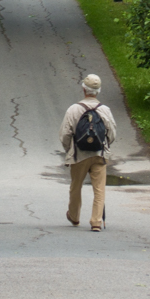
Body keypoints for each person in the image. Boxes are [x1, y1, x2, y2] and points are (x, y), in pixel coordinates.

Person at [59, 74, 117, 231]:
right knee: (99, 189)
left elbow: (65, 134)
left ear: (83, 89)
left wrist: (69, 149)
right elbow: (112, 133)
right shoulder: (105, 110)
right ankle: (96, 221)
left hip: (79, 155)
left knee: (76, 186)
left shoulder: (74, 109)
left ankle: (74, 216)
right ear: (98, 91)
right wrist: (105, 146)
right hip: (99, 155)